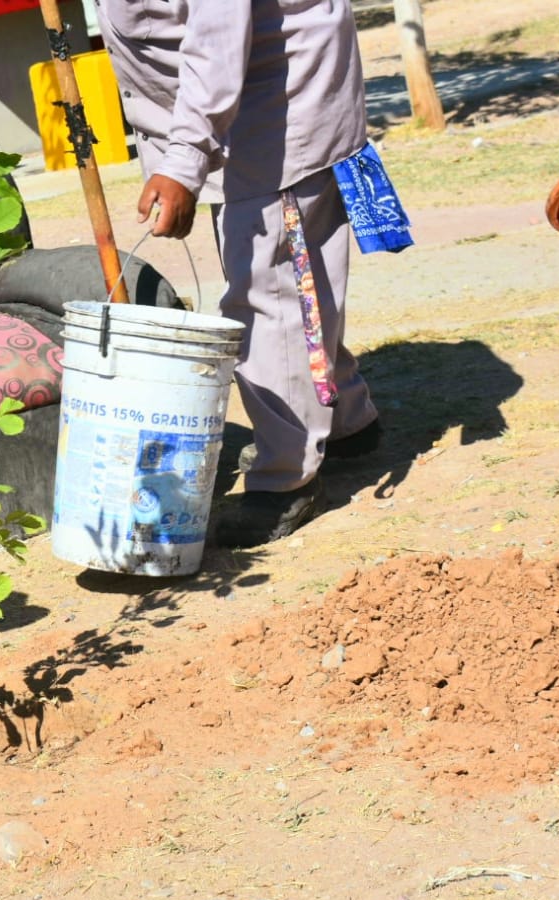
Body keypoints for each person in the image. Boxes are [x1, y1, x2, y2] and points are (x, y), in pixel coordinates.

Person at [98, 0, 382, 547]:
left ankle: (286, 480)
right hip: (234, 112)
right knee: (293, 280)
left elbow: (217, 36)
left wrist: (184, 159)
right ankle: (346, 421)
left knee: (269, 292)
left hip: (279, 105)